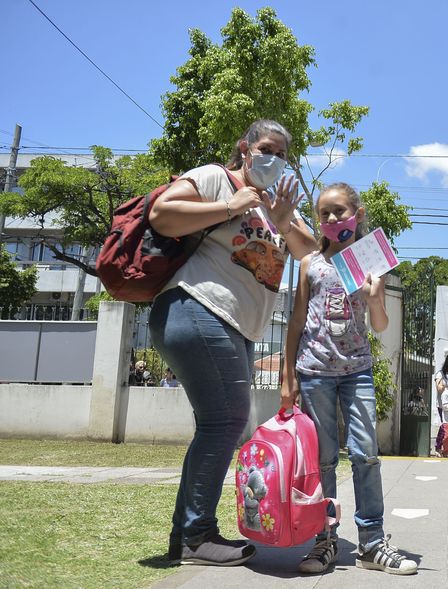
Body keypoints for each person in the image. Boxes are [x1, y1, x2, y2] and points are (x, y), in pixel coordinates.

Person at [148, 119, 317, 566]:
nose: (273, 160)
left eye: (282, 154)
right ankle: (195, 537)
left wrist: (283, 220)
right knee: (226, 422)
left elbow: (308, 254)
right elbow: (162, 215)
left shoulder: (276, 203)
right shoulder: (216, 178)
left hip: (236, 328)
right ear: (245, 148)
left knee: (218, 424)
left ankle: (188, 536)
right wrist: (229, 206)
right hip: (198, 308)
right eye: (266, 149)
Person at [281, 182, 418, 576]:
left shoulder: (371, 263)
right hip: (314, 374)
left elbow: (380, 324)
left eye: (339, 211)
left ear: (356, 212)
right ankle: (324, 539)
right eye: (323, 213)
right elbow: (295, 322)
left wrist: (376, 299)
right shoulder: (310, 263)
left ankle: (372, 543)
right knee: (322, 461)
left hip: (356, 371)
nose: (331, 219)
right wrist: (288, 376)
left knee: (366, 454)